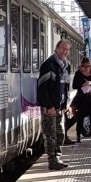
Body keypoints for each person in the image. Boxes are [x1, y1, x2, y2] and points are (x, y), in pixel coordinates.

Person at [38, 39, 72, 169]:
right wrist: (49, 106)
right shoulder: (48, 65)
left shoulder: (66, 65)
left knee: (60, 134)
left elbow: (66, 86)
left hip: (59, 106)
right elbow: (42, 88)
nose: (65, 51)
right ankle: (52, 162)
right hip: (50, 107)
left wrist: (65, 104)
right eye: (63, 48)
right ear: (56, 48)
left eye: (67, 49)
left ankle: (57, 158)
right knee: (50, 135)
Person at [65, 56, 91, 142]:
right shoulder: (78, 73)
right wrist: (83, 85)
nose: (86, 68)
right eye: (84, 66)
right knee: (80, 117)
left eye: (88, 66)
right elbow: (74, 85)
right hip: (81, 99)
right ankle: (78, 136)